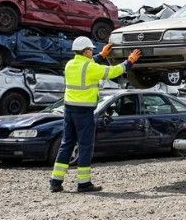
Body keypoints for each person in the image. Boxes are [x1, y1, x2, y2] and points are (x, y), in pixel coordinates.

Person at [49, 37, 141, 193]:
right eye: (91, 49)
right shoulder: (89, 67)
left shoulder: (70, 64)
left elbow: (88, 65)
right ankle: (83, 184)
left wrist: (101, 55)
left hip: (69, 110)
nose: (92, 51)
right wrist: (129, 61)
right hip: (83, 112)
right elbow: (113, 72)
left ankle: (55, 182)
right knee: (85, 146)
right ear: (85, 51)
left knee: (67, 144)